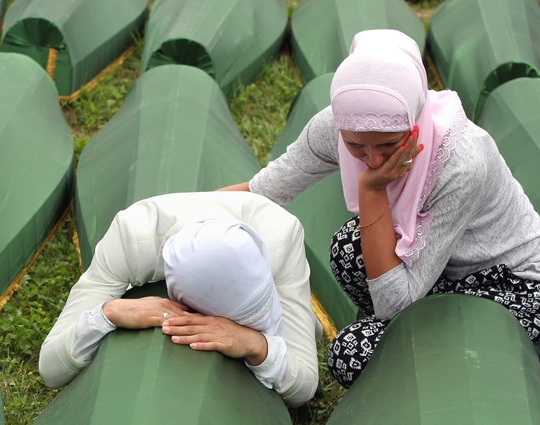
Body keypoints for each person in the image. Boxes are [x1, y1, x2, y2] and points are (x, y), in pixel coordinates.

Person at [220, 29, 540, 388]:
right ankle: (403, 338)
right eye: (356, 146)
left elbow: (396, 304)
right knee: (348, 248)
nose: (372, 159)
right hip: (436, 274)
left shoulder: (461, 161)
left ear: (414, 118)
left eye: (389, 144)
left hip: (513, 285)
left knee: (350, 355)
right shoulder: (336, 127)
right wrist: (176, 217)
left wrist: (372, 191)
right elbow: (261, 191)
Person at [39, 191, 321, 407]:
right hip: (149, 239)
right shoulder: (130, 239)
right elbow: (51, 369)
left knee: (308, 328)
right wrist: (107, 313)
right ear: (179, 299)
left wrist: (255, 344)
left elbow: (305, 384)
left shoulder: (282, 236)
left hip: (268, 235)